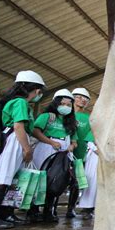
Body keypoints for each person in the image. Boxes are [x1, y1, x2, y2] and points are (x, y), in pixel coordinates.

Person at [0, 70, 46, 228]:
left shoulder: (19, 102)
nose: (39, 94)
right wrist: (27, 149)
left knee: (14, 179)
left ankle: (6, 213)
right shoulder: (20, 102)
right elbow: (18, 126)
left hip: (18, 140)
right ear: (34, 89)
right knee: (2, 177)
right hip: (15, 139)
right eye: (39, 90)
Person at [32, 88, 78, 222]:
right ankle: (33, 210)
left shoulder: (71, 122)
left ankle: (49, 210)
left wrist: (71, 146)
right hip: (46, 148)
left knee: (58, 179)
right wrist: (50, 141)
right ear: (55, 103)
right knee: (40, 178)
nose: (66, 107)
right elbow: (35, 131)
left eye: (69, 105)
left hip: (64, 152)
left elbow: (74, 140)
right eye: (63, 104)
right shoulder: (47, 117)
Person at [65, 87, 92, 218]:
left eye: (86, 99)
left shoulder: (89, 118)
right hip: (64, 151)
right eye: (79, 97)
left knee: (76, 182)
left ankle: (71, 209)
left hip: (81, 154)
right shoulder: (65, 114)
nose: (83, 100)